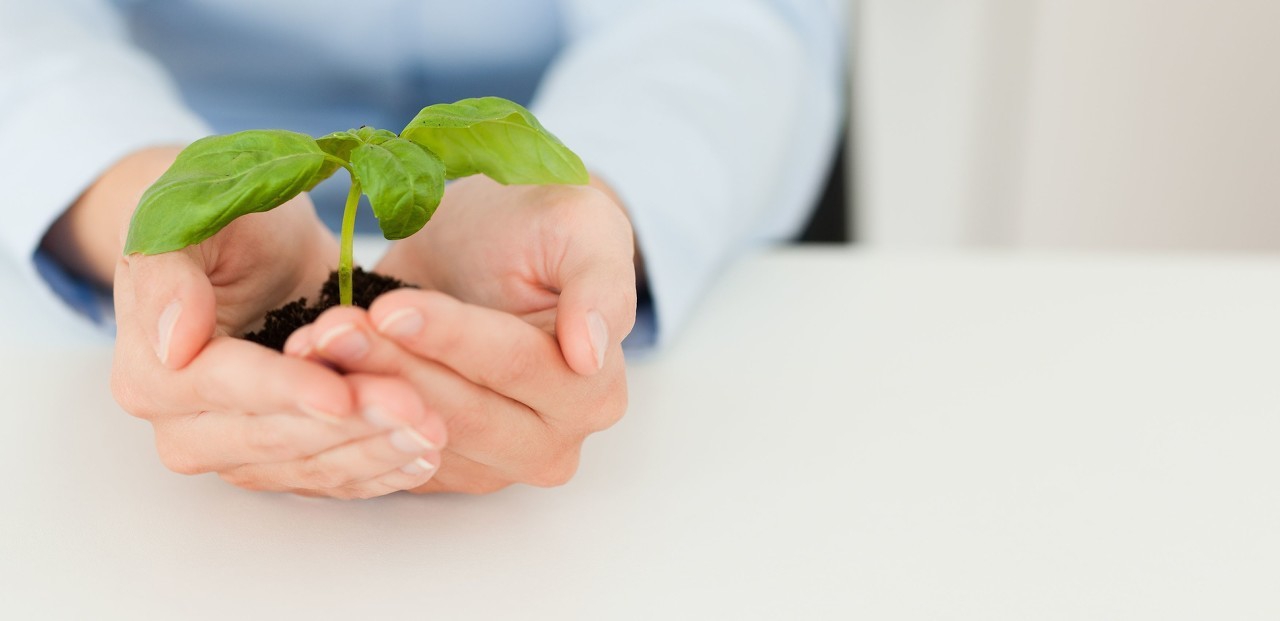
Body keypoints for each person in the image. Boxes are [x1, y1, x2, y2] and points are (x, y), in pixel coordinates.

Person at [0, 0, 845, 498]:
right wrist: (125, 187)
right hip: (186, 129)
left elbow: (723, 24)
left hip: (604, 143)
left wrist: (585, 194)